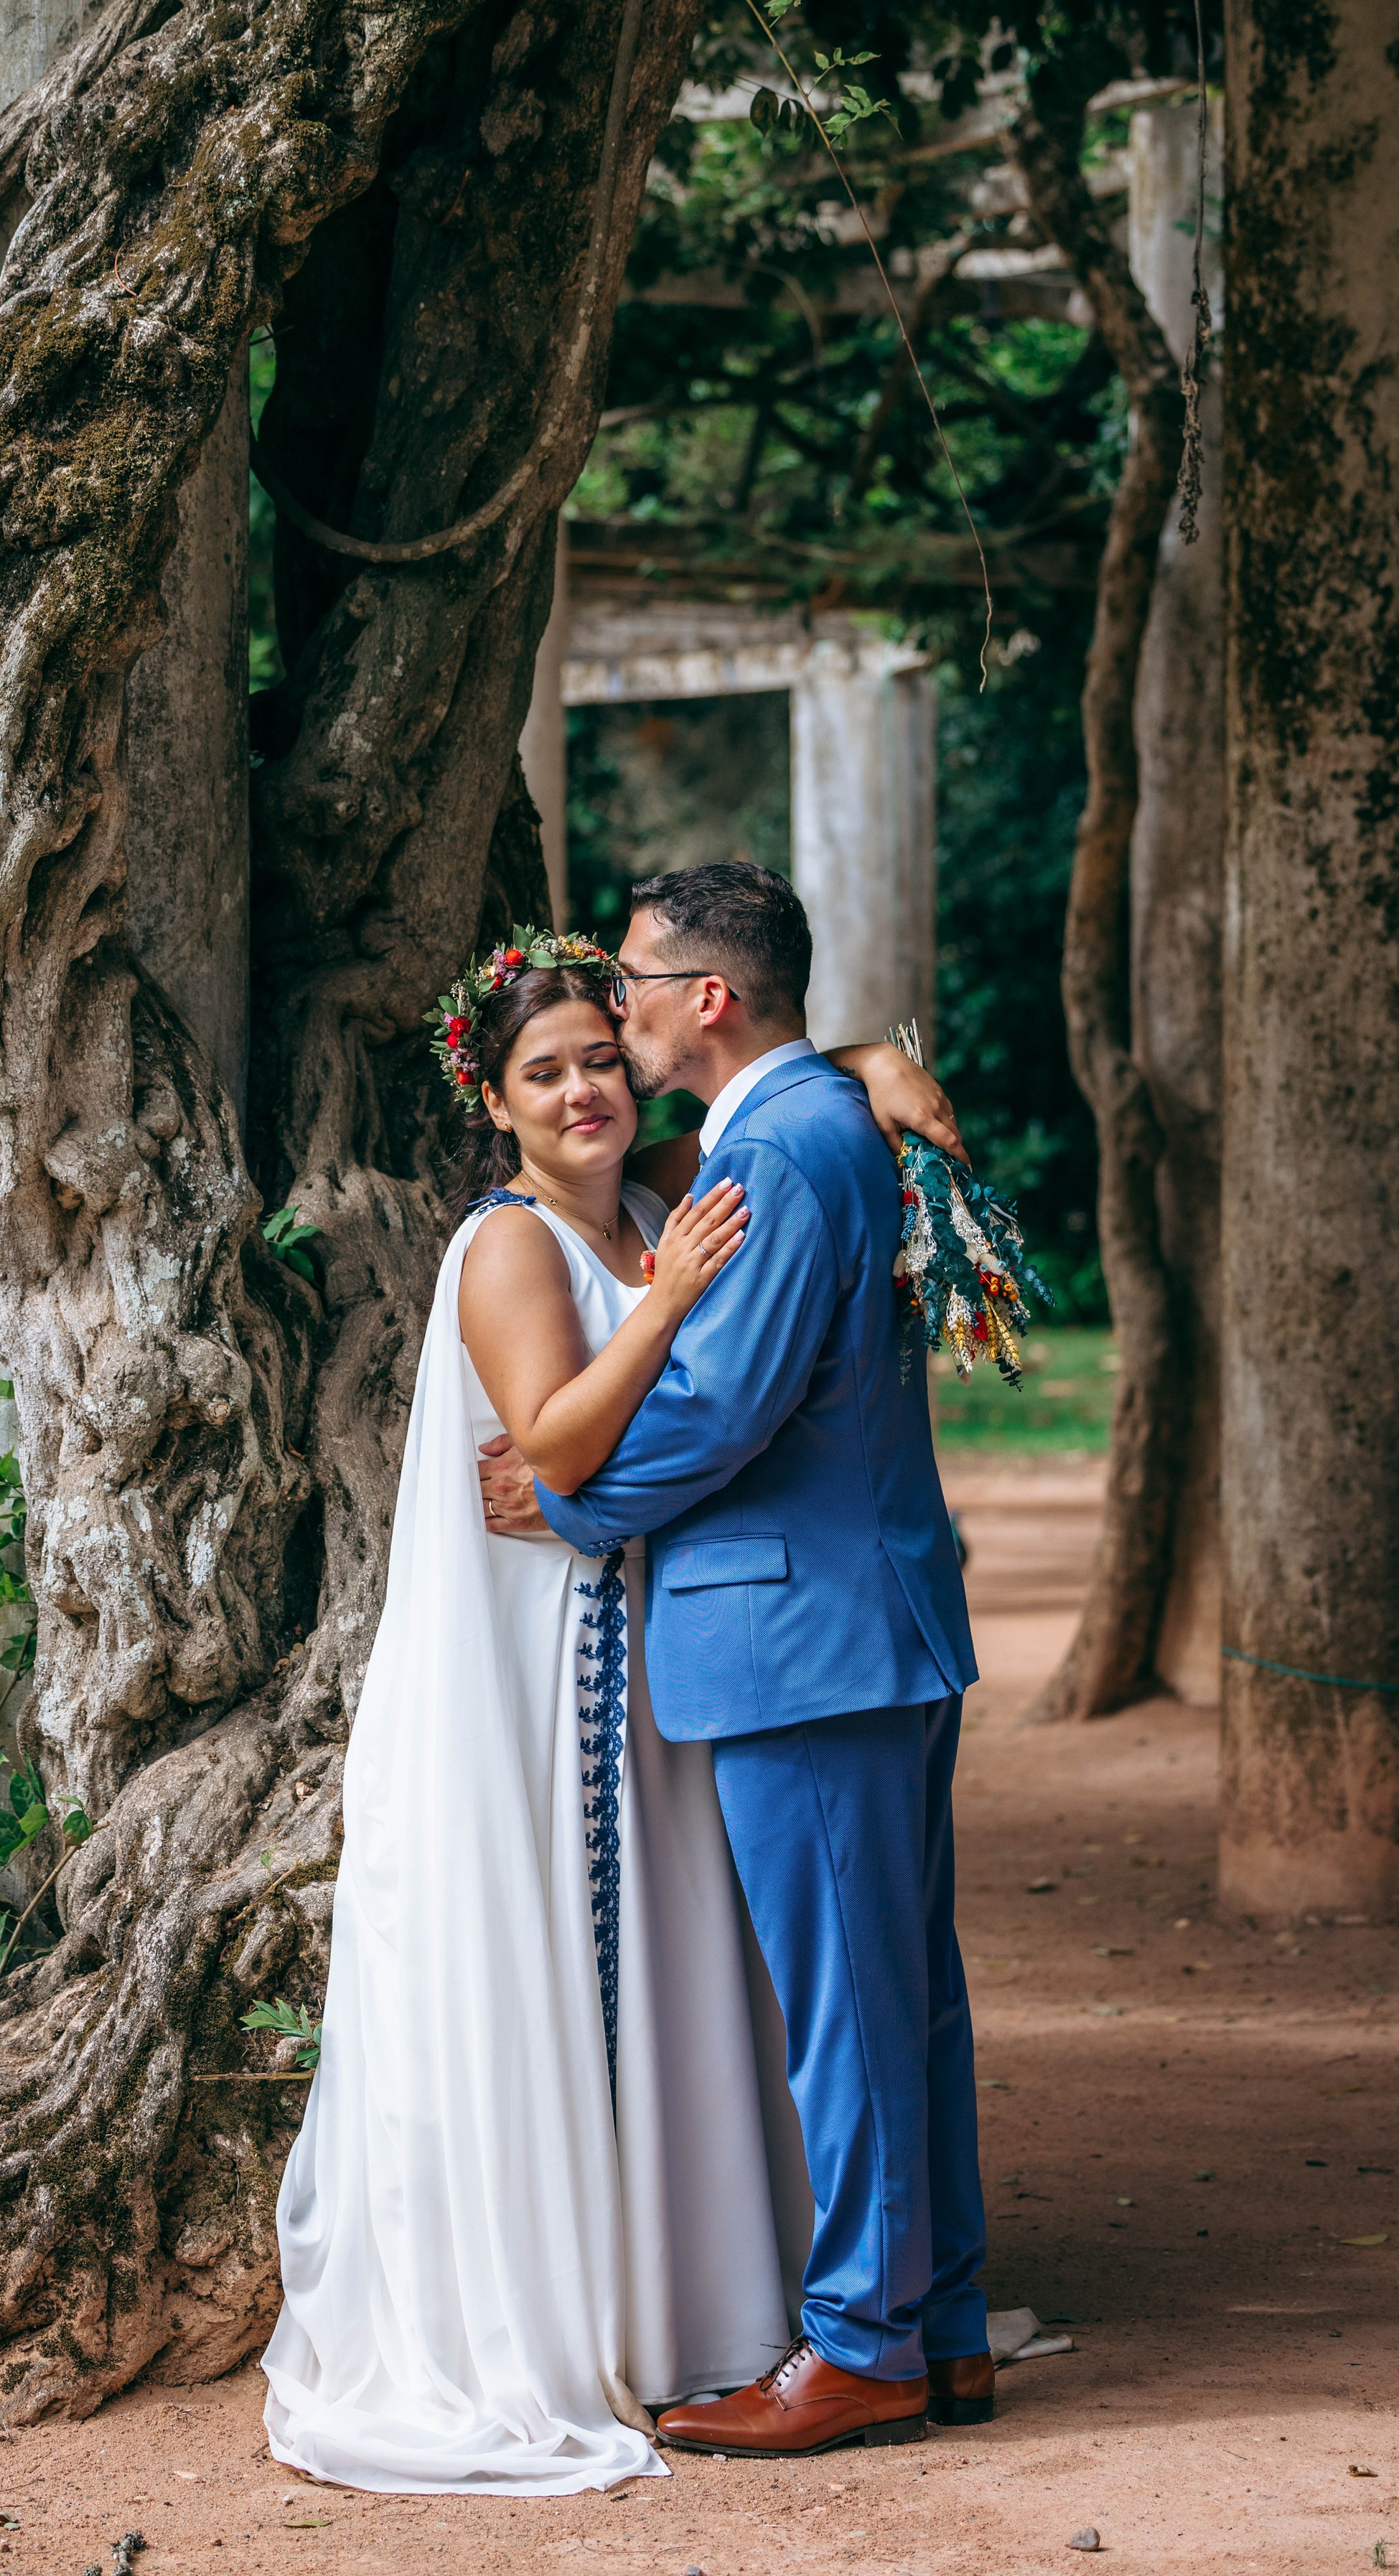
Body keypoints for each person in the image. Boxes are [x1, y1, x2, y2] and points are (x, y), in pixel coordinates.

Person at [261, 921, 957, 2494]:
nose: (584, 1086)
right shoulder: (503, 1246)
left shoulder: (662, 1196)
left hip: (656, 1640)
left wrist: (865, 1057)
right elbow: (557, 1447)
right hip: (541, 1650)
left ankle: (711, 2287)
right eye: (544, 1070)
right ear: (491, 1103)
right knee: (573, 1953)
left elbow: (761, 1076)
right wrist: (659, 1300)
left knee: (690, 1963)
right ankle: (610, 2303)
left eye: (597, 1053)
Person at [520, 864, 995, 2458]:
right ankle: (935, 2325)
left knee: (856, 2009)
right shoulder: (810, 1119)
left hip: (807, 1637)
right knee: (901, 1996)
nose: (620, 1004)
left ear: (707, 999)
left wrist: (570, 1495)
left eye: (638, 981)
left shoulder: (781, 1150)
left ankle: (863, 2343)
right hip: (857, 1621)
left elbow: (724, 1407)